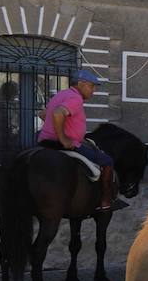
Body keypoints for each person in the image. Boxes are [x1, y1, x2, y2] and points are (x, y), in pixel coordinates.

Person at [36, 68, 126, 212]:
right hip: (63, 144)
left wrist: (59, 128)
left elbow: (43, 114)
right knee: (107, 161)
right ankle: (106, 200)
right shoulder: (75, 98)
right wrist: (64, 138)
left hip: (45, 141)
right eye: (91, 86)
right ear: (81, 83)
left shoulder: (60, 95)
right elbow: (58, 114)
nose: (93, 90)